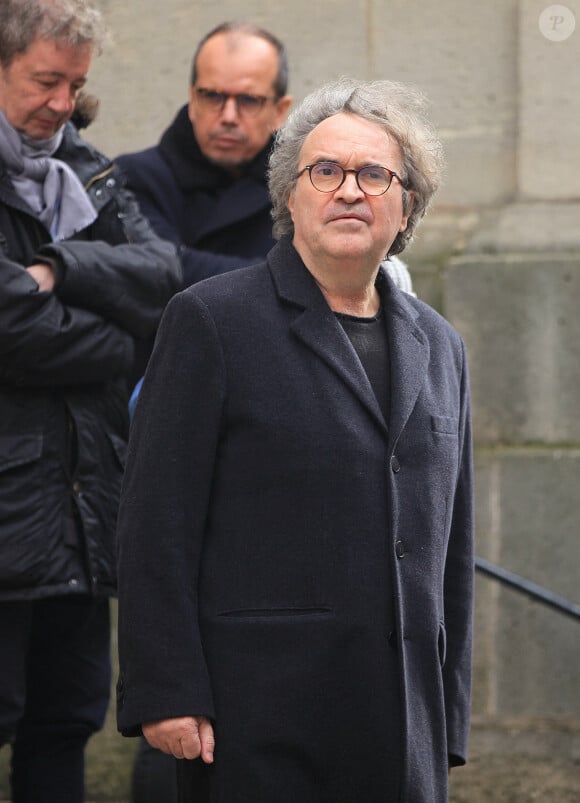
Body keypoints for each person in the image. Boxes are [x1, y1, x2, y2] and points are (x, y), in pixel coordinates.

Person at [116, 78, 474, 803]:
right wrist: (166, 688)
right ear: (290, 196)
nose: (350, 189)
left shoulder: (442, 345)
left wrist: (450, 716)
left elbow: (452, 549)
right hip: (261, 720)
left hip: (403, 725)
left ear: (406, 206)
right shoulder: (211, 321)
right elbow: (156, 522)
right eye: (326, 171)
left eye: (375, 174)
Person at [0, 1, 181, 801]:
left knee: (66, 719)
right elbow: (9, 327)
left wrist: (61, 272)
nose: (62, 104)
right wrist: (121, 340)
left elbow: (164, 278)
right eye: (46, 80)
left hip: (87, 509)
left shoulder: (91, 172)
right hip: (7, 507)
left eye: (76, 84)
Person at [115, 21, 292, 290]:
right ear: (192, 100)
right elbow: (150, 279)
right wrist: (274, 277)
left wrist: (184, 262)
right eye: (212, 96)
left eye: (248, 100)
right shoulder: (134, 177)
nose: (229, 116)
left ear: (280, 110)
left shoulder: (299, 189)